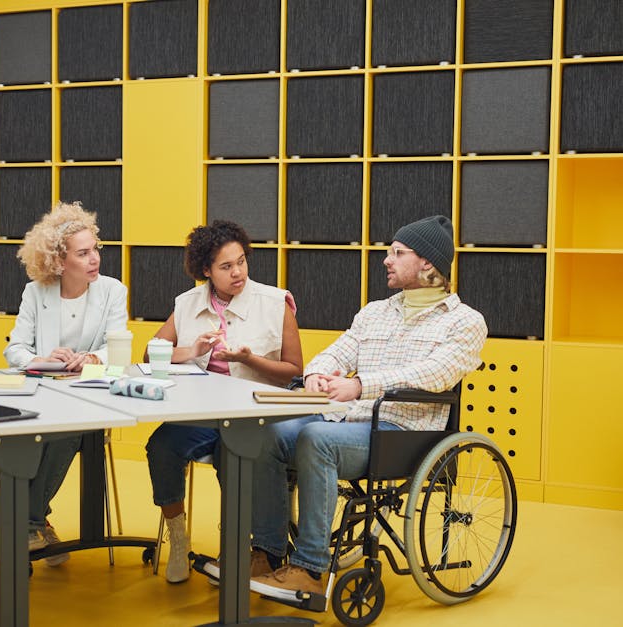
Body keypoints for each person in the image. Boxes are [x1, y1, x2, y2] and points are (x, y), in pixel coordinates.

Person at [248, 215, 487, 599]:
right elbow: (339, 350)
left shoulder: (465, 322)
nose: (386, 260)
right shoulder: (376, 311)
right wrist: (317, 375)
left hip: (405, 433)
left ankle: (310, 568)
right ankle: (268, 554)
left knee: (316, 438)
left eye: (397, 253)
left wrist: (360, 385)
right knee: (267, 432)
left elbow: (435, 374)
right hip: (352, 421)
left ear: (427, 262)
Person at [144, 220, 303, 583]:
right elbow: (151, 352)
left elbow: (293, 371)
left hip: (254, 415)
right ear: (206, 270)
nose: (238, 273)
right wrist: (191, 351)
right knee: (161, 447)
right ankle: (180, 542)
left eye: (241, 262)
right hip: (202, 413)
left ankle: (242, 551)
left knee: (233, 456)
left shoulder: (275, 302)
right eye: (226, 266)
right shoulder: (187, 304)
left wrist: (249, 360)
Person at [4, 201, 128, 566]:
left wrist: (92, 358)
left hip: (89, 392)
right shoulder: (36, 292)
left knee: (70, 429)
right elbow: (16, 350)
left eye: (95, 251)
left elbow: (117, 346)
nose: (94, 260)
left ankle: (29, 521)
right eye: (83, 253)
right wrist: (40, 360)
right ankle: (37, 520)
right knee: (37, 434)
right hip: (41, 392)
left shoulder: (111, 291)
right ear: (59, 261)